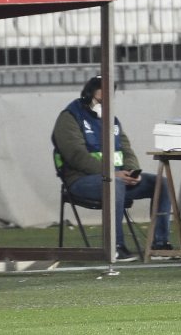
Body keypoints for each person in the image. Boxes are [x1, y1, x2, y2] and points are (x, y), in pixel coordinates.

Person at [51, 75, 171, 261]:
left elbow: (126, 149)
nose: (104, 104)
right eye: (100, 100)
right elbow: (76, 155)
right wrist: (111, 173)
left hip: (118, 179)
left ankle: (160, 245)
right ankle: (115, 246)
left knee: (161, 183)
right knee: (113, 184)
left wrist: (133, 171)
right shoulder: (69, 118)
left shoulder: (112, 120)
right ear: (87, 95)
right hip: (80, 181)